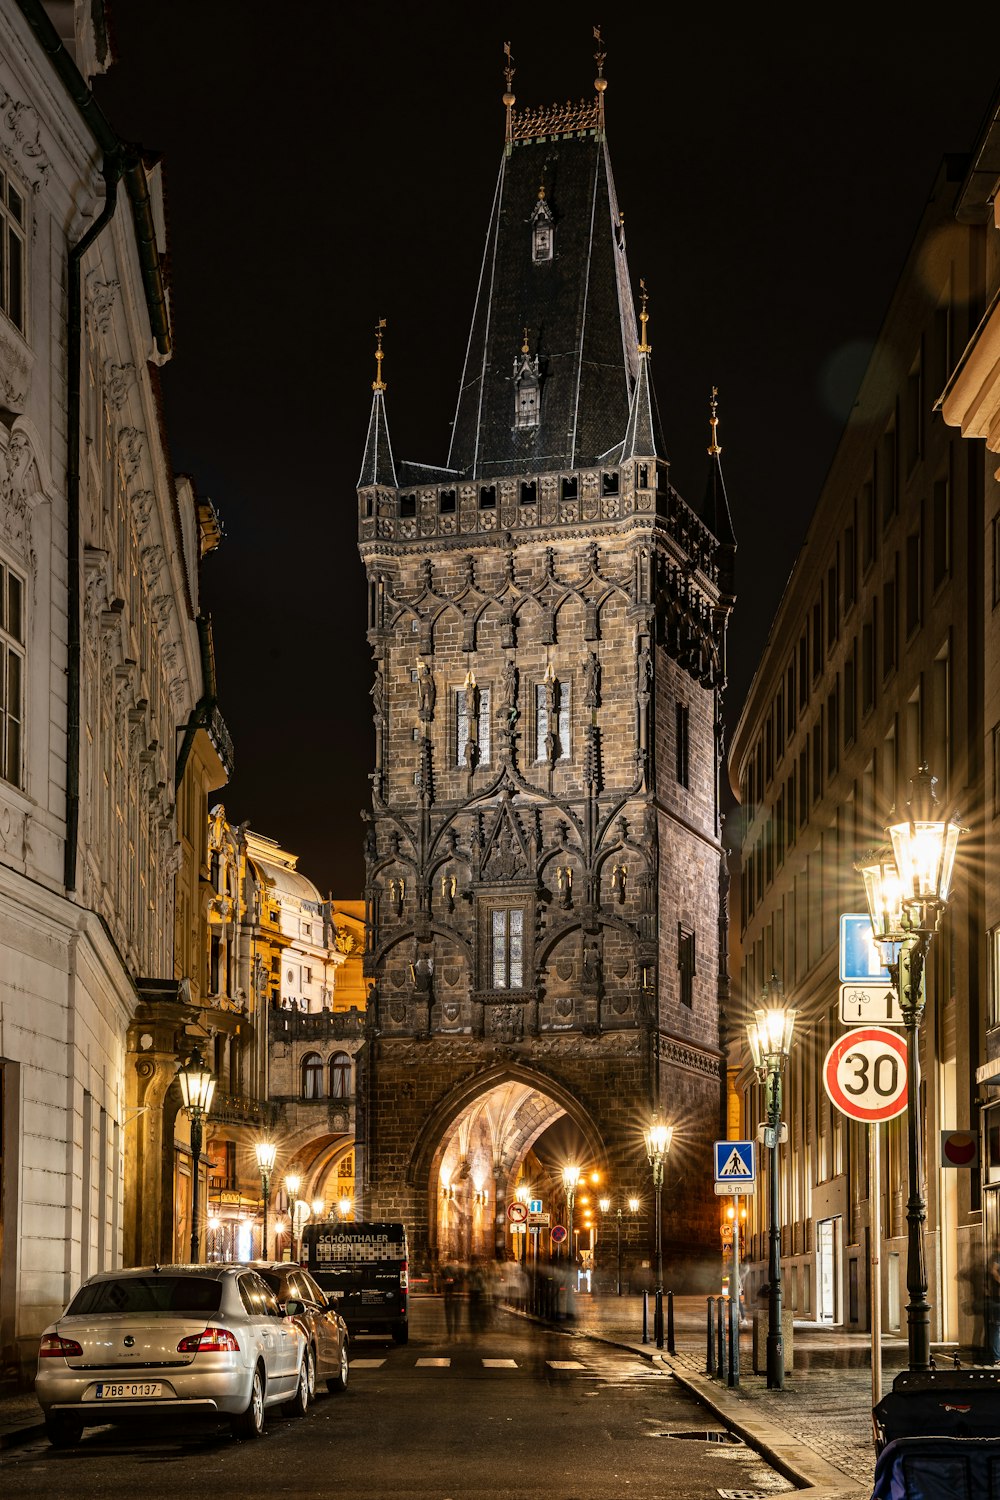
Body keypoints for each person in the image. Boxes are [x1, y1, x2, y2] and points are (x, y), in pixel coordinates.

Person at [987, 1251, 1000, 1364]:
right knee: (996, 1327)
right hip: (996, 1298)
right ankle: (997, 1358)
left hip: (996, 1298)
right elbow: (993, 1270)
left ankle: (997, 1358)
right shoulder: (996, 1257)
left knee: (996, 1327)